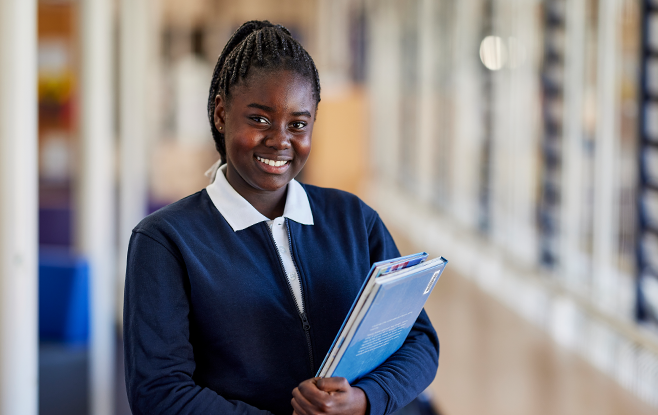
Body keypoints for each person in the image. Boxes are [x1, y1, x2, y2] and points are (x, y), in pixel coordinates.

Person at [124, 21, 439, 415]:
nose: (280, 140)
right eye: (259, 119)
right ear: (222, 114)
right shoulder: (166, 240)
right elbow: (160, 392)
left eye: (298, 124)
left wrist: (363, 400)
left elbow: (419, 340)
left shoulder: (354, 220)